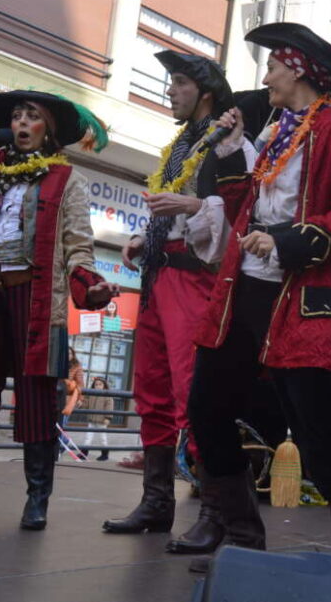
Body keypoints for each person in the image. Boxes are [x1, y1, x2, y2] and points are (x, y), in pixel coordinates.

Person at [187, 22, 331, 571]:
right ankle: (243, 543)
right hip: (241, 290)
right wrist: (229, 154)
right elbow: (244, 206)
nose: (266, 75)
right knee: (207, 409)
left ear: (297, 69)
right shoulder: (274, 129)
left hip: (301, 296)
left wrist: (286, 241)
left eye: (273, 65)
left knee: (320, 428)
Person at [0, 90, 119, 530]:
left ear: (48, 128)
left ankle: (37, 500)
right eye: (16, 115)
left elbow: (77, 245)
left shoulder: (67, 180)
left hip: (32, 298)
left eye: (31, 115)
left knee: (36, 400)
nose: (21, 122)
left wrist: (91, 285)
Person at [102, 50, 256, 561]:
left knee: (196, 395)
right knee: (152, 390)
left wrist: (189, 208)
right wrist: (141, 239)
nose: (171, 90)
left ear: (205, 92)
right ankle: (156, 502)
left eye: (180, 82)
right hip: (158, 275)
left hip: (196, 281)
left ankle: (214, 512)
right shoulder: (178, 147)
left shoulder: (229, 145)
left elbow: (243, 210)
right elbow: (170, 209)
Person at [82, 376, 114, 460]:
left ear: (104, 385)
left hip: (102, 421)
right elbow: (86, 405)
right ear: (93, 386)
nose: (98, 386)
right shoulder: (91, 394)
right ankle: (84, 453)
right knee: (88, 437)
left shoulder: (107, 395)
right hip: (91, 420)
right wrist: (82, 404)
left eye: (100, 384)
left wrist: (108, 418)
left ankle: (105, 454)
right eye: (96, 384)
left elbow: (109, 407)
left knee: (102, 438)